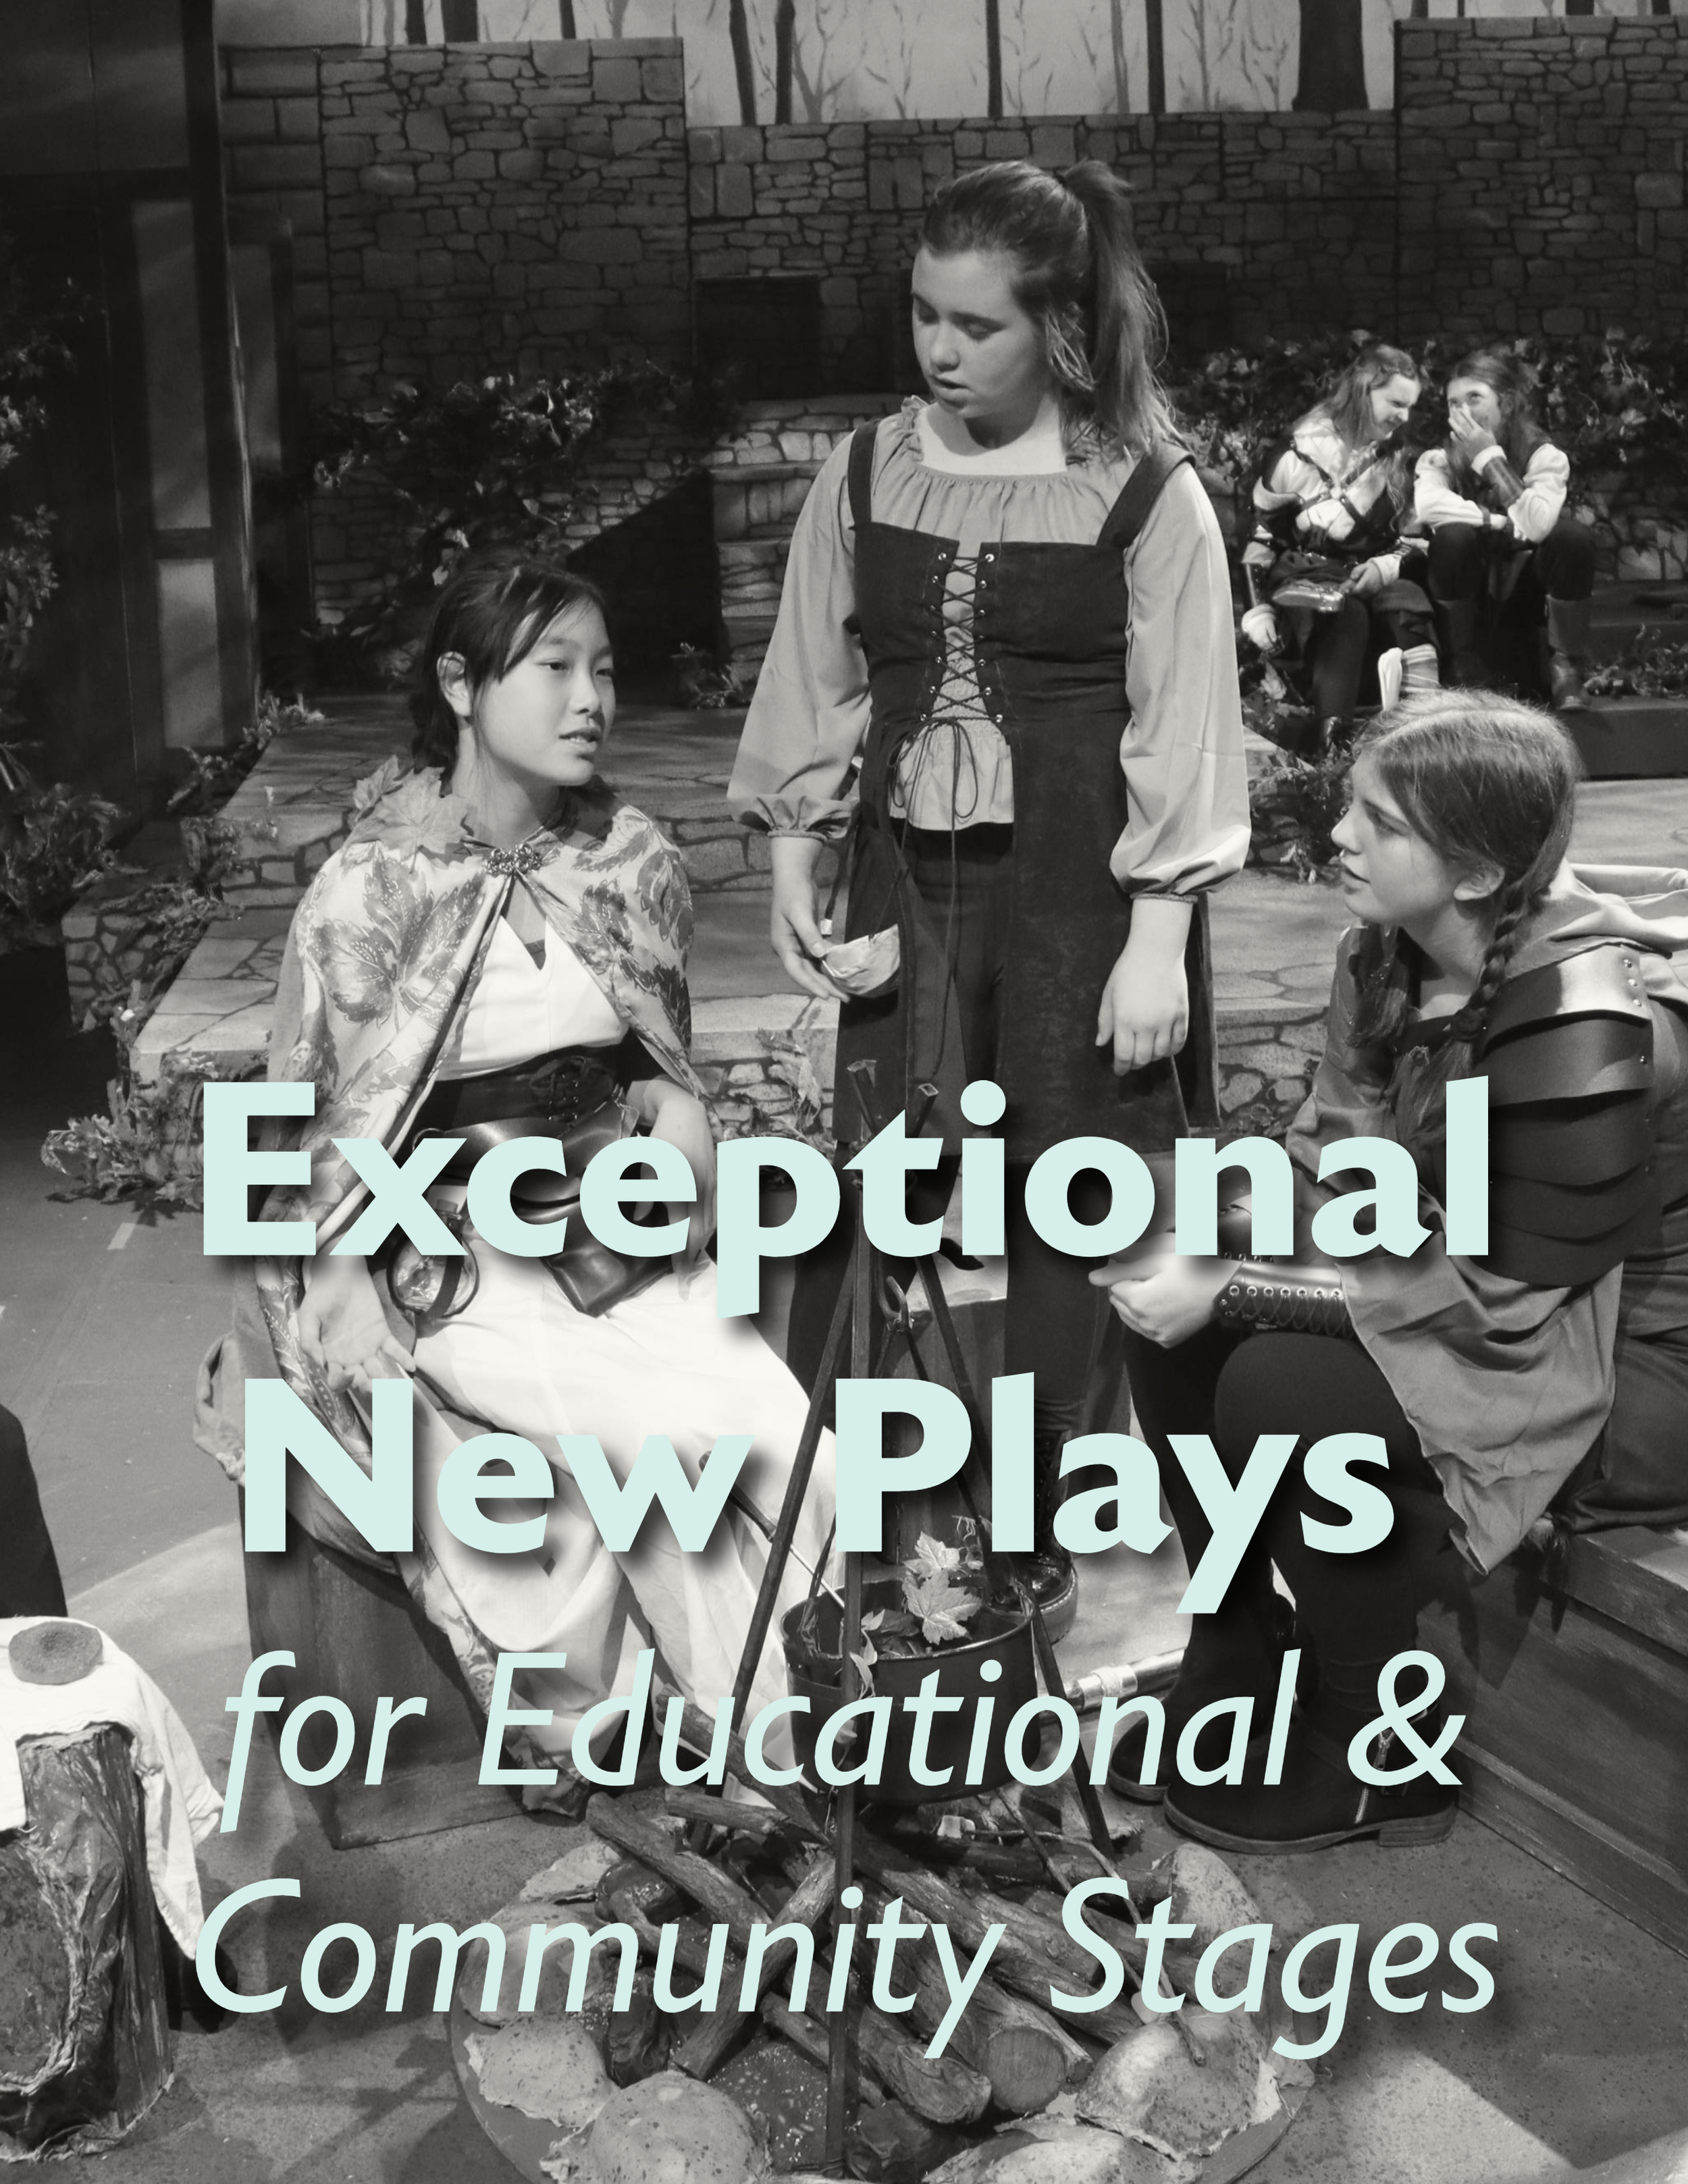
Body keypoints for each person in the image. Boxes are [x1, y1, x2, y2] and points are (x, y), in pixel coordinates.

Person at [196, 554, 836, 1795]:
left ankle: (817, 1713)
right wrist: (332, 1270)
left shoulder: (632, 861)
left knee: (782, 1436)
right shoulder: (370, 888)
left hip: (616, 1229)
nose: (590, 696)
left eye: (603, 669)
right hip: (455, 1250)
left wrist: (681, 1117)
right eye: (554, 668)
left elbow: (659, 1056)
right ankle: (755, 1760)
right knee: (649, 1453)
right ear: (461, 683)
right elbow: (305, 1115)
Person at [728, 160, 1249, 1636]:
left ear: (1058, 327)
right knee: (878, 1188)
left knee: (1062, 1205)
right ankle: (870, 1532)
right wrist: (792, 859)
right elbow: (813, 672)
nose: (937, 350)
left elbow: (1184, 719)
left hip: (1083, 891)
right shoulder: (868, 466)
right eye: (921, 314)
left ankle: (1029, 1529)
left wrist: (1159, 938)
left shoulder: (1146, 490)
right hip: (908, 875)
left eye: (974, 325)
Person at [1093, 691, 1688, 1853]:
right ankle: (1238, 1644)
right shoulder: (1390, 959)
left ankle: (1379, 1750)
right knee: (1175, 1295)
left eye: (1379, 822)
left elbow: (1502, 1297)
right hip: (1475, 1299)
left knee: (1277, 1383)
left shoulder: (1588, 1021)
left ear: (1472, 873)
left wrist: (1243, 1289)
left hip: (1625, 1363)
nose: (1338, 840)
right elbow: (1332, 1173)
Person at [1241, 342, 1440, 755]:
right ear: (1365, 390)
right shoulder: (1299, 453)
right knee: (1342, 611)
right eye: (1396, 403)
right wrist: (1257, 608)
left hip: (1377, 569)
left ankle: (1426, 738)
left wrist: (1386, 567)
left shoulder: (1404, 457)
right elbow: (1262, 538)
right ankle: (1331, 747)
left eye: (1411, 406)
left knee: (1408, 609)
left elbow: (1418, 538)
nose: (1404, 416)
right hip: (1310, 575)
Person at [1415, 347, 1599, 711]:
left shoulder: (1544, 456)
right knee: (1453, 537)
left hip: (1525, 593)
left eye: (1474, 398)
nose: (1463, 412)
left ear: (1508, 404)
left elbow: (1537, 525)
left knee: (1572, 537)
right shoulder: (1438, 459)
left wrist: (1490, 459)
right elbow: (1428, 506)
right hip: (1469, 593)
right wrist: (1496, 521)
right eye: (1454, 403)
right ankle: (1460, 664)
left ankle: (1567, 667)